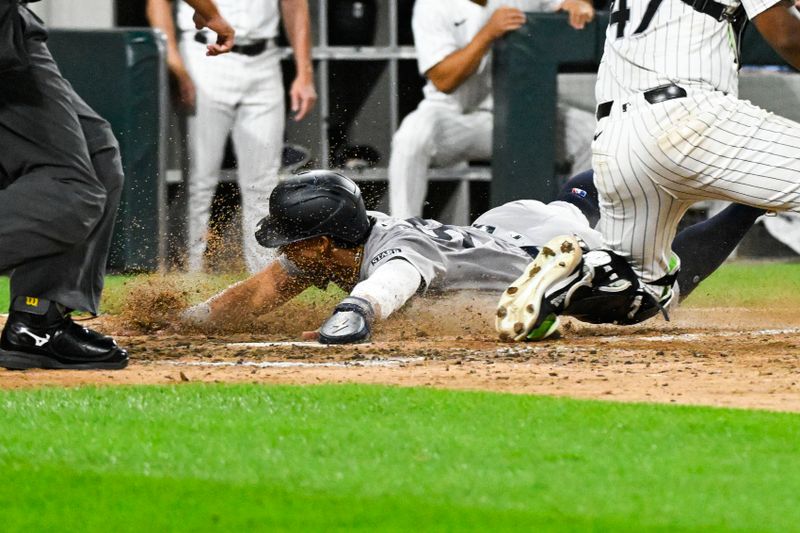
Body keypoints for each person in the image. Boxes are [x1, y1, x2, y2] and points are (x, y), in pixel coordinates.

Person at [497, 0, 800, 341]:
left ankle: (570, 279)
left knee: (641, 289)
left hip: (618, 139)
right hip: (692, 118)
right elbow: (787, 35)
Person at [183, 170, 764, 344]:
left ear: (324, 240)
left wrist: (342, 323)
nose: (286, 252)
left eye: (291, 240)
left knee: (647, 296)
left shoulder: (392, 256)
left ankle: (749, 205)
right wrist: (185, 323)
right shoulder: (342, 241)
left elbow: (365, 307)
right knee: (573, 202)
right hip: (501, 232)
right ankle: (604, 178)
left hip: (528, 253)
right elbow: (256, 293)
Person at [0, 0, 233, 370]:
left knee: (98, 159)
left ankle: (37, 321)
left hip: (12, 27)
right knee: (71, 190)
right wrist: (208, 10)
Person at [147, 0, 317, 274]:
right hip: (203, 54)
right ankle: (187, 282)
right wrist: (174, 61)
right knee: (199, 182)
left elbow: (295, 4)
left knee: (264, 184)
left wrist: (304, 73)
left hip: (264, 58)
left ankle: (261, 284)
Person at [387, 0, 597, 219]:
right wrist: (487, 33)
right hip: (457, 116)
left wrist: (580, 5)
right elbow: (443, 80)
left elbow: (569, 2)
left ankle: (577, 230)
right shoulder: (433, 5)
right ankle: (402, 232)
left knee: (590, 135)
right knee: (411, 137)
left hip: (523, 114)